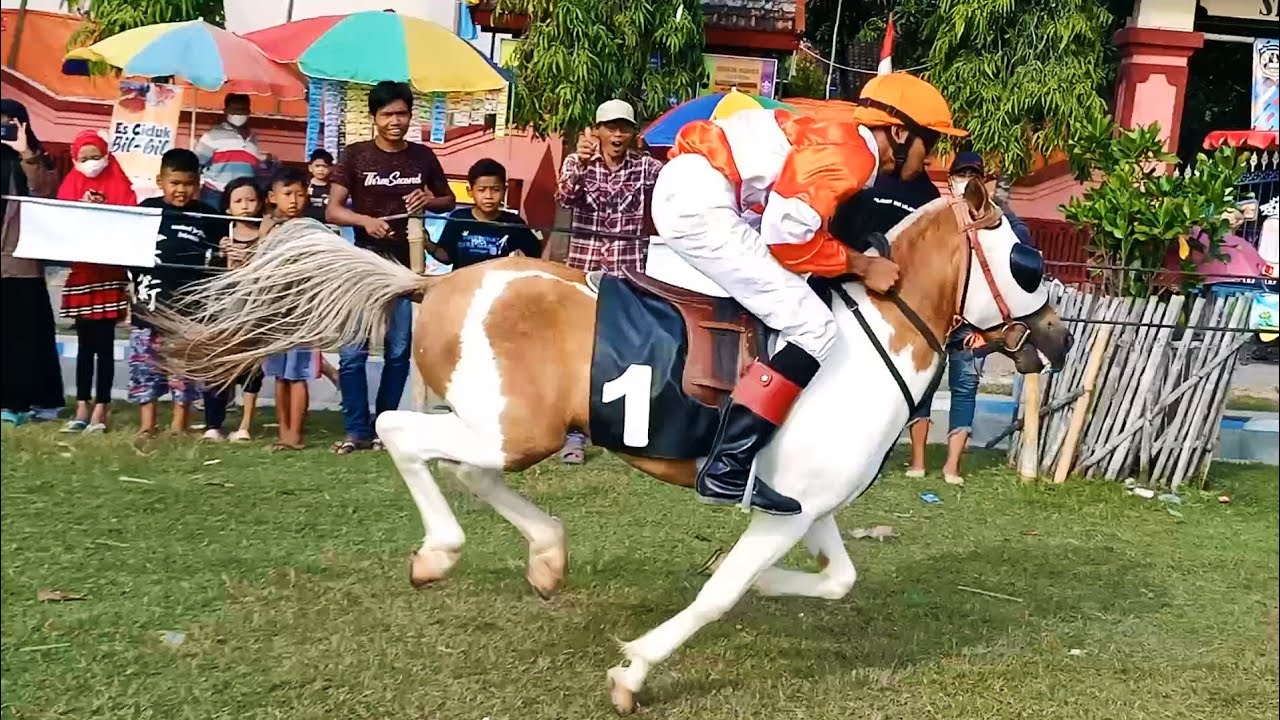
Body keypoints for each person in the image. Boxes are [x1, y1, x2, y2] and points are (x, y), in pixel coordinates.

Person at [649, 72, 967, 515]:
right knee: (814, 327)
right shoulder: (855, 154)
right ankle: (729, 466)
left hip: (707, 190)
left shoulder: (847, 131)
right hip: (702, 202)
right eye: (928, 141)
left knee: (793, 302)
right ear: (899, 133)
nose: (930, 155)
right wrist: (863, 265)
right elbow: (788, 236)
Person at [326, 80, 456, 455]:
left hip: (406, 267)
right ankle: (356, 430)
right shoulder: (355, 155)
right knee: (353, 353)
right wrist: (364, 221)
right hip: (363, 266)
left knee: (398, 353)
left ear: (411, 116)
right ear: (374, 117)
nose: (395, 121)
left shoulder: (423, 157)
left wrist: (429, 199)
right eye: (387, 115)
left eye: (402, 114)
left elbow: (447, 200)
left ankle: (385, 427)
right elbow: (332, 210)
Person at [555, 98, 663, 464]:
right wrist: (582, 164)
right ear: (597, 130)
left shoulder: (647, 167)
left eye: (624, 128)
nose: (617, 135)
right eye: (611, 128)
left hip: (628, 273)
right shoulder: (577, 161)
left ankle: (619, 428)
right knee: (578, 351)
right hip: (583, 272)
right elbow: (565, 198)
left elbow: (676, 188)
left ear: (633, 133)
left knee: (626, 351)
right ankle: (574, 434)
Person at [131, 149, 221, 437]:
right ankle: (147, 425)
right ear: (161, 181)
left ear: (198, 183)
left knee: (183, 370)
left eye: (188, 184)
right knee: (145, 367)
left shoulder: (209, 216)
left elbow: (222, 254)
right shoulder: (145, 210)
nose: (181, 190)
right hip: (147, 307)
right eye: (175, 183)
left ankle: (179, 424)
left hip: (188, 310)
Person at [56, 130, 137, 434]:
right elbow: (61, 219)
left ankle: (101, 408)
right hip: (82, 274)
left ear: (106, 155)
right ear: (75, 159)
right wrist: (81, 205)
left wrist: (105, 207)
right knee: (84, 346)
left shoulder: (120, 183)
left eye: (96, 156)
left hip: (110, 275)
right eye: (84, 157)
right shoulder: (70, 184)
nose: (91, 162)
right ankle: (81, 406)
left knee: (104, 346)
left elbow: (129, 216)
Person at [1, 99, 63, 426]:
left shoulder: (38, 157)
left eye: (9, 122)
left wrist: (25, 152)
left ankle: (27, 402)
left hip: (22, 263)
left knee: (28, 335)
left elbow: (44, 193)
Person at [201, 176, 266, 442]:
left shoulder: (267, 235)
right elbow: (209, 272)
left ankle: (245, 425)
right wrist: (222, 255)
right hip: (222, 312)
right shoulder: (221, 235)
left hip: (253, 312)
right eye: (238, 201)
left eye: (251, 200)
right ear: (228, 207)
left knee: (251, 370)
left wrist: (253, 258)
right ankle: (213, 424)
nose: (245, 206)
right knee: (216, 367)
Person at [258, 167, 318, 450]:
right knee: (280, 375)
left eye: (300, 194)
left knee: (298, 374)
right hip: (274, 311)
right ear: (272, 197)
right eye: (287, 194)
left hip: (303, 311)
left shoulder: (312, 229)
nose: (294, 200)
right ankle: (283, 432)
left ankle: (296, 433)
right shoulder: (268, 229)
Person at [429, 159, 541, 269]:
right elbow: (447, 257)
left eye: (495, 189)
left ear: (504, 191)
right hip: (464, 281)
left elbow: (535, 255)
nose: (489, 196)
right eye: (482, 190)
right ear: (470, 191)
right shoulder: (458, 218)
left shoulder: (513, 223)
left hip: (497, 281)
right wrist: (428, 244)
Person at [193, 93, 262, 208]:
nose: (239, 113)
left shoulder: (253, 139)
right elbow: (196, 165)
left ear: (249, 111)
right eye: (234, 110)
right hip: (215, 194)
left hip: (243, 198)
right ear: (226, 111)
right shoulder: (212, 136)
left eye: (242, 110)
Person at [306, 148, 334, 223]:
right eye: (317, 166)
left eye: (325, 166)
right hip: (307, 221)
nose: (321, 169)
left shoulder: (334, 188)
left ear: (331, 168)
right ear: (310, 168)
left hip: (328, 223)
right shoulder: (304, 185)